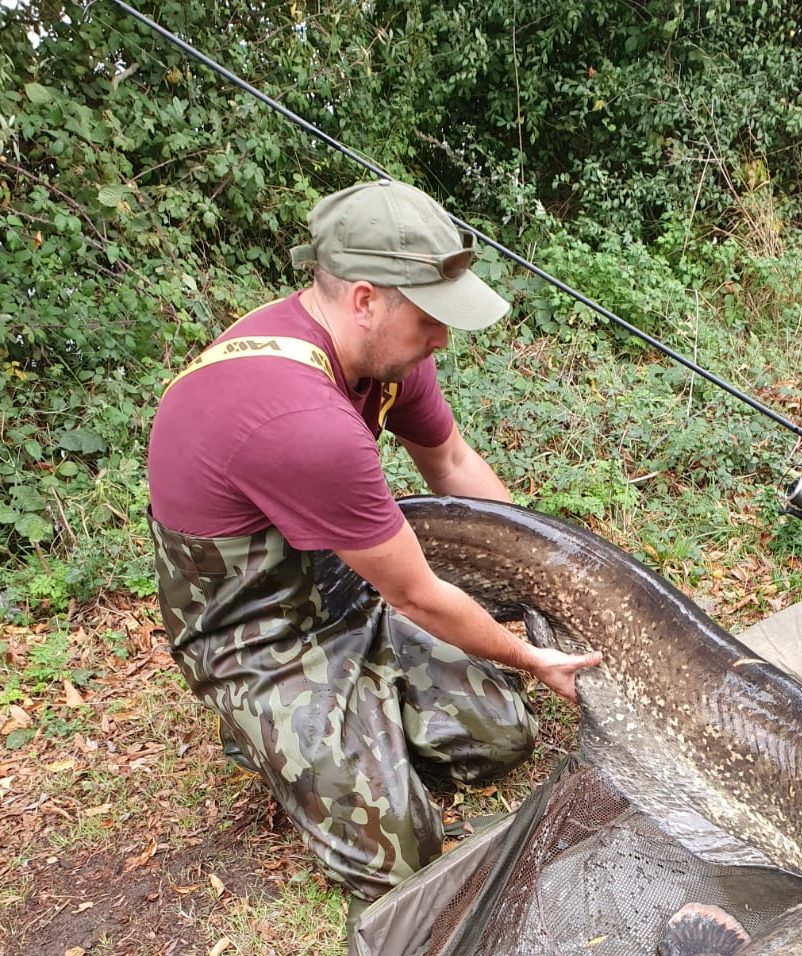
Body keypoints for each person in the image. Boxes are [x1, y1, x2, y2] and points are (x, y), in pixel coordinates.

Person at [146, 179, 601, 900]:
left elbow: (451, 464)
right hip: (256, 636)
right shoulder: (300, 420)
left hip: (347, 594)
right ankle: (265, 726)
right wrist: (528, 654)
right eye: (430, 319)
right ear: (365, 299)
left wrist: (544, 565)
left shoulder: (388, 362)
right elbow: (418, 594)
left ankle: (361, 720)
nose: (442, 339)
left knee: (501, 738)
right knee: (404, 861)